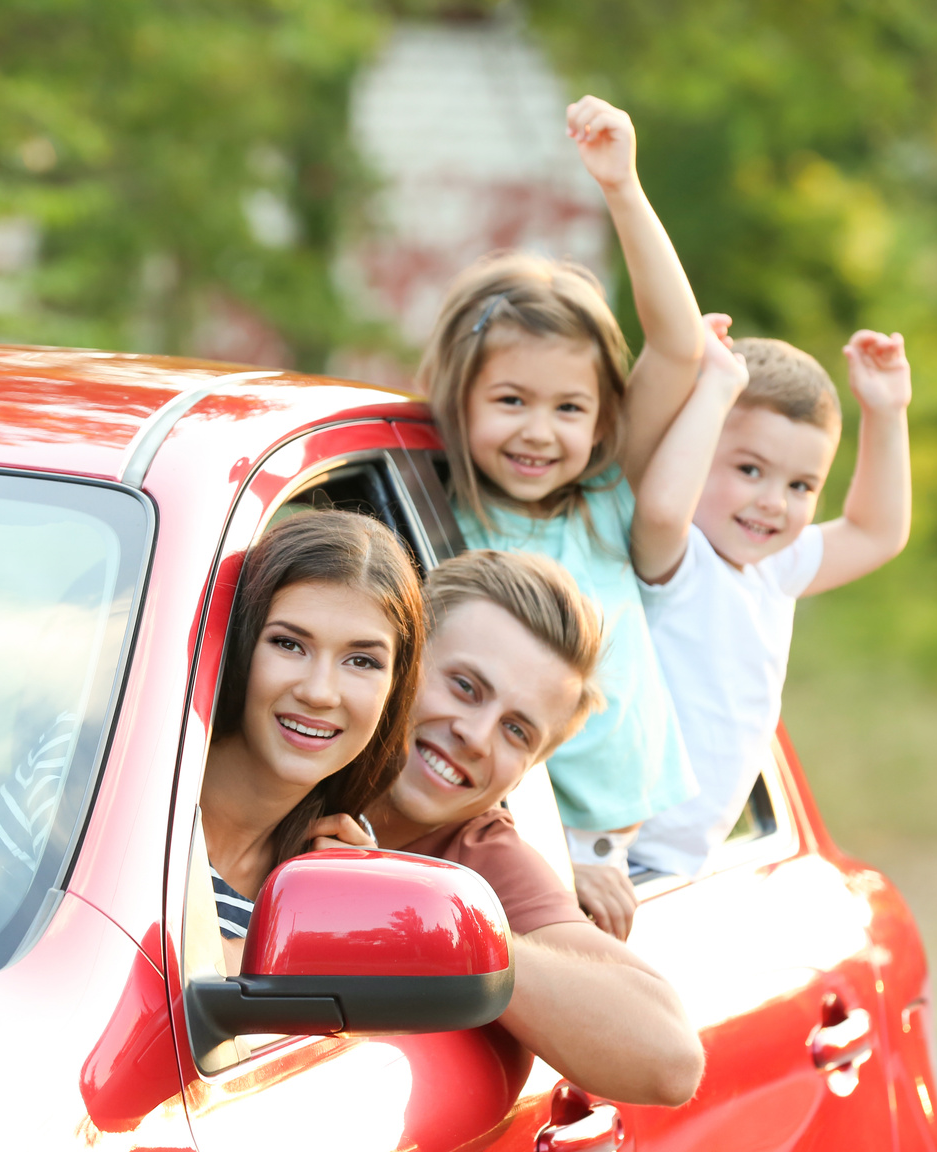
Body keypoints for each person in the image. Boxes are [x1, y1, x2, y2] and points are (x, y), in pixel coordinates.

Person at [415, 94, 706, 926]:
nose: (539, 433)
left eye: (569, 409)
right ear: (459, 397)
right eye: (511, 399)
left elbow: (680, 345)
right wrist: (553, 864)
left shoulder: (606, 497)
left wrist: (622, 185)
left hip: (642, 844)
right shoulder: (446, 523)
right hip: (544, 841)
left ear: (603, 418)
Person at [362, 550, 705, 1107]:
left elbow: (671, 1061)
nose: (475, 735)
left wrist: (439, 929)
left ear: (528, 769)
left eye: (516, 731)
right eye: (465, 687)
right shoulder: (290, 743)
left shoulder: (478, 852)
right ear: (401, 654)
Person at [628, 324, 913, 878]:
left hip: (682, 863)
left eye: (801, 486)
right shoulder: (677, 558)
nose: (773, 503)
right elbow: (662, 508)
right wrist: (707, 385)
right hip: (621, 855)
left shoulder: (772, 570)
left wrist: (887, 412)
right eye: (750, 469)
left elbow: (877, 532)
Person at [199, 509, 425, 973]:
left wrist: (350, 921)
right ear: (239, 644)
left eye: (362, 661)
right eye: (288, 644)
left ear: (395, 687)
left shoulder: (346, 863)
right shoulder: (105, 778)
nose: (319, 692)